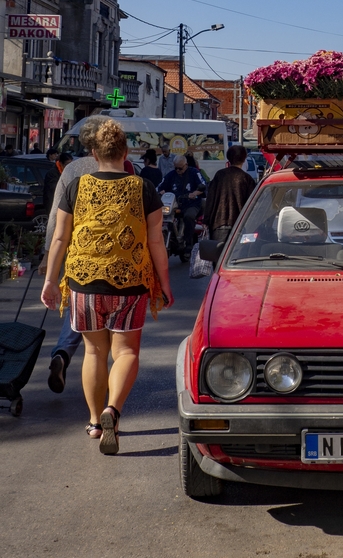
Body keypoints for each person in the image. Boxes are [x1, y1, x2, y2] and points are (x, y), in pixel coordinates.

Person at [40, 120, 173, 454]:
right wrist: (164, 284)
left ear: (94, 153)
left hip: (84, 281)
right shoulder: (144, 188)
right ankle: (112, 410)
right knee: (126, 352)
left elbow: (60, 238)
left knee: (94, 352)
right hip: (130, 283)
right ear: (125, 152)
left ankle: (94, 422)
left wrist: (50, 280)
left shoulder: (77, 186)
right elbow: (156, 242)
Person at [40, 116, 109, 394]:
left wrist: (48, 258)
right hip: (115, 255)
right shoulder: (122, 168)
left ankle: (62, 353)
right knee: (109, 321)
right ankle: (105, 383)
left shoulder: (73, 169)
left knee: (78, 309)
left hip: (77, 253)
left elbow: (56, 220)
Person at [204, 144, 256, 244]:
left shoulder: (219, 175)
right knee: (238, 253)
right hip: (240, 225)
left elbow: (210, 199)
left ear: (229, 158)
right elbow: (253, 204)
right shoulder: (247, 179)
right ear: (244, 159)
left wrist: (206, 220)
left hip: (219, 223)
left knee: (219, 252)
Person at [159, 154, 206, 247]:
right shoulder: (171, 175)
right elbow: (160, 186)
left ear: (186, 165)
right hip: (175, 204)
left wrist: (195, 193)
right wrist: (160, 192)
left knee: (189, 216)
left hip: (191, 204)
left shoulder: (194, 173)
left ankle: (188, 243)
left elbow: (203, 185)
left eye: (180, 168)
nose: (178, 170)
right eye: (176, 168)